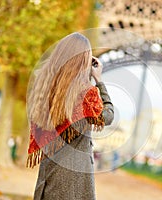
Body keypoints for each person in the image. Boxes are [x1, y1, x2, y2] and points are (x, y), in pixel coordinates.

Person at [26, 32, 114, 200]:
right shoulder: (84, 94)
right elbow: (108, 116)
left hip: (48, 175)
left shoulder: (42, 89)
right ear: (83, 62)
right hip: (74, 179)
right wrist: (99, 80)